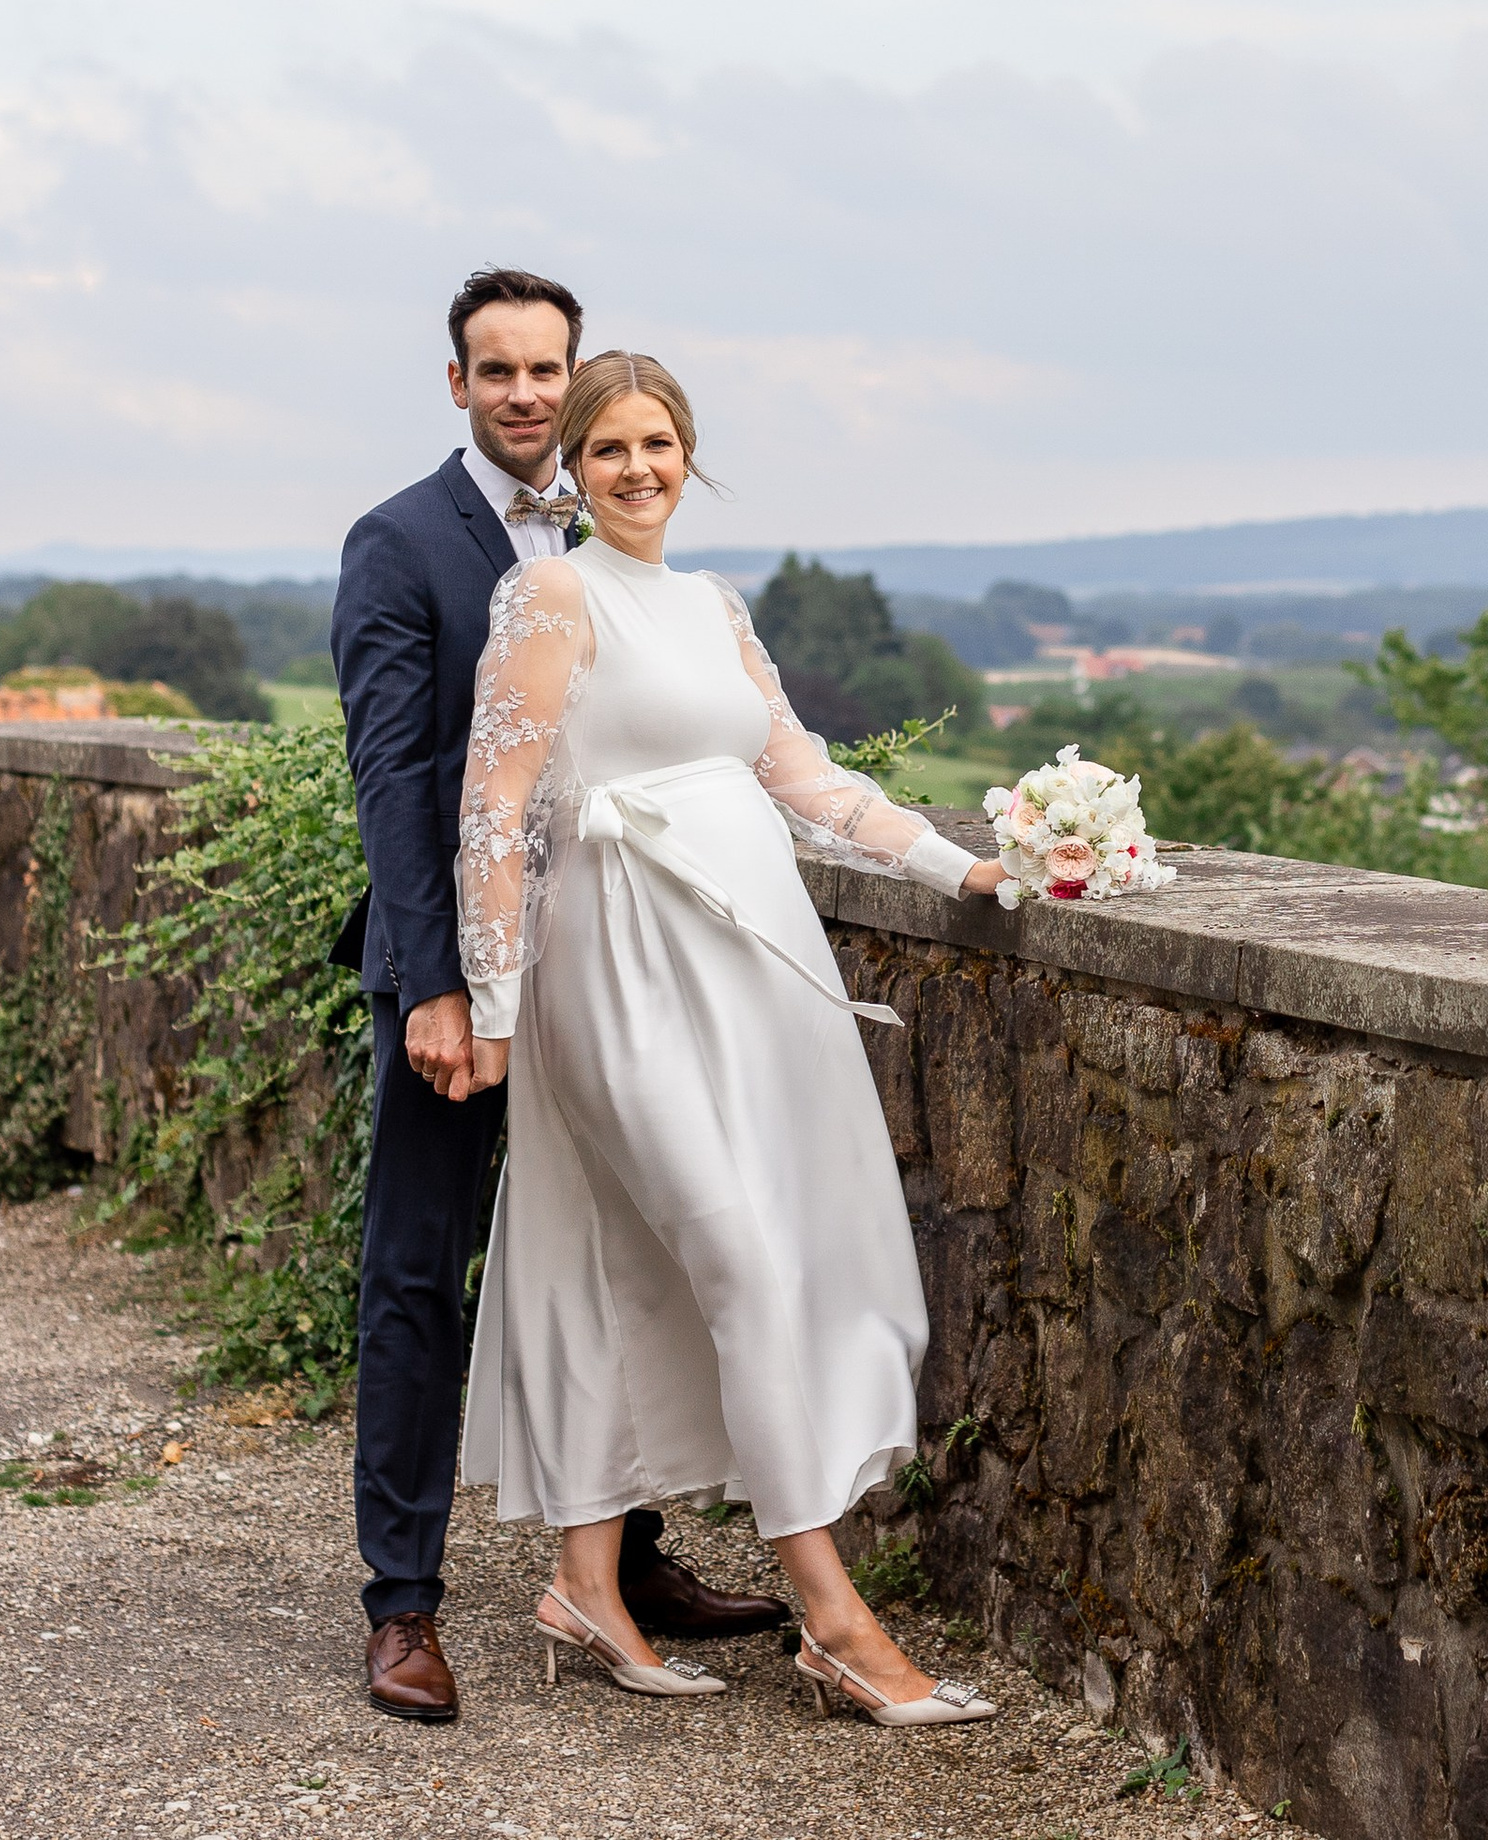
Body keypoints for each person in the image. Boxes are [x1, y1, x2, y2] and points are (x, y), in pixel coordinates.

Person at [449, 350, 1004, 1723]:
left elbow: (803, 776)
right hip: (615, 965)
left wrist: (965, 869)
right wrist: (503, 1008)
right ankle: (832, 1614)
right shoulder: (551, 592)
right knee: (741, 1264)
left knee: (613, 1252)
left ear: (691, 454)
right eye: (611, 448)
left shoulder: (711, 604)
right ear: (571, 467)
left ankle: (587, 1582)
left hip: (745, 967)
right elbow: (491, 811)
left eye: (661, 443)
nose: (639, 469)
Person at [332, 274, 788, 1724]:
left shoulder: (616, 545)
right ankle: (402, 1605)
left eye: (549, 369)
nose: (528, 392)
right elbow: (399, 784)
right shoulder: (401, 542)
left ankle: (629, 1555)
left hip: (609, 973)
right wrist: (436, 987)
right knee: (420, 1271)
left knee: (622, 1253)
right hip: (462, 990)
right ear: (454, 382)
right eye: (499, 369)